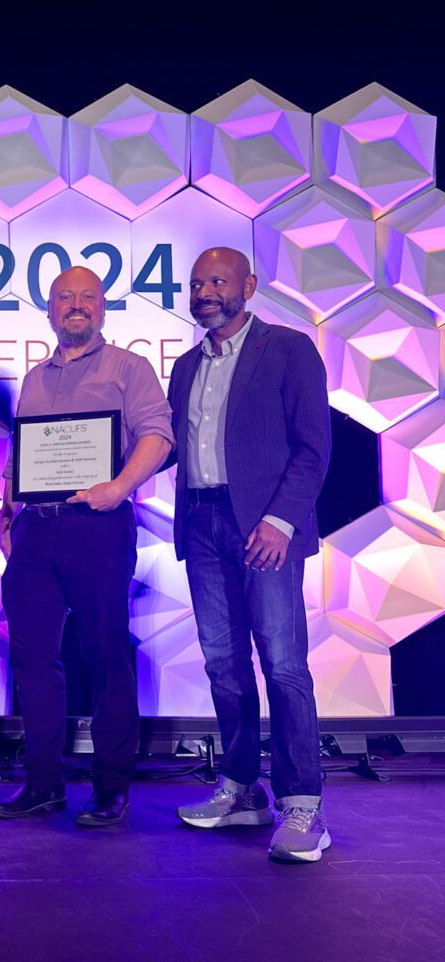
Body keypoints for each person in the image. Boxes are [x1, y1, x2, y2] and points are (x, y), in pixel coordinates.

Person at [0, 267, 173, 826]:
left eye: (87, 298)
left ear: (103, 308)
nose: (76, 306)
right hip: (37, 530)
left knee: (106, 653)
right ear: (49, 310)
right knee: (33, 658)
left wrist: (118, 488)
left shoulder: (129, 367)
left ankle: (111, 785)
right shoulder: (36, 378)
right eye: (65, 298)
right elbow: (26, 455)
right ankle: (43, 783)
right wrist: (10, 511)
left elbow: (157, 435)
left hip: (99, 523)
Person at [168, 246, 332, 863]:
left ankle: (303, 808)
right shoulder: (185, 367)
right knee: (223, 665)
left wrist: (280, 520)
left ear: (249, 286)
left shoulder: (287, 350)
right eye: (196, 282)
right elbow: (172, 448)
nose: (205, 290)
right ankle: (242, 790)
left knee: (284, 666)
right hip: (204, 523)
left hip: (266, 528)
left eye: (217, 280)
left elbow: (313, 448)